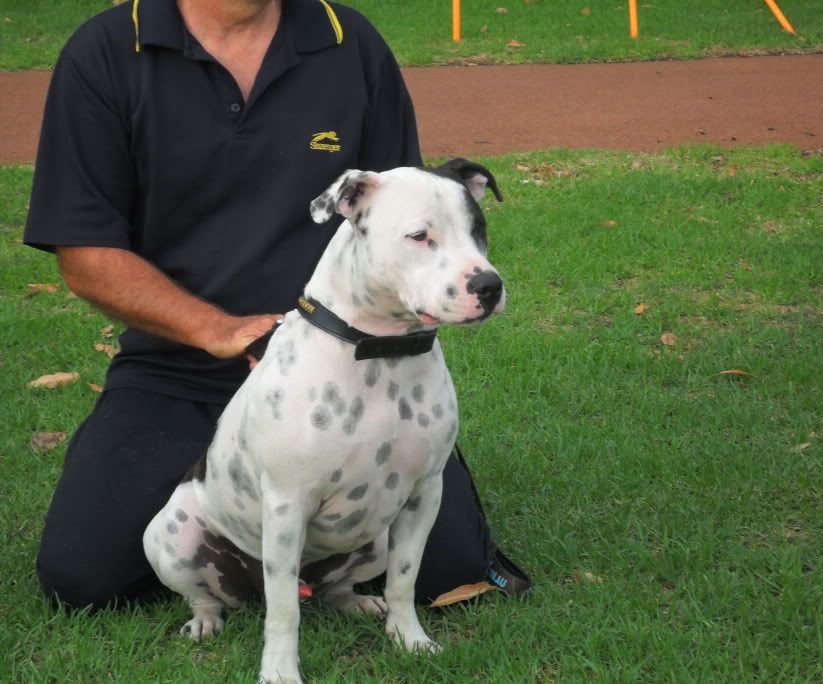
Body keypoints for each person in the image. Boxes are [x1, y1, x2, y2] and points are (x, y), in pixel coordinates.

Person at [25, 0, 527, 610]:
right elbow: (85, 252)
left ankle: (305, 548)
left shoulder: (350, 44)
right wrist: (216, 329)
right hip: (177, 372)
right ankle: (248, 534)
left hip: (350, 370)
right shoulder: (104, 52)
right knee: (83, 577)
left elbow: (407, 208)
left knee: (447, 572)